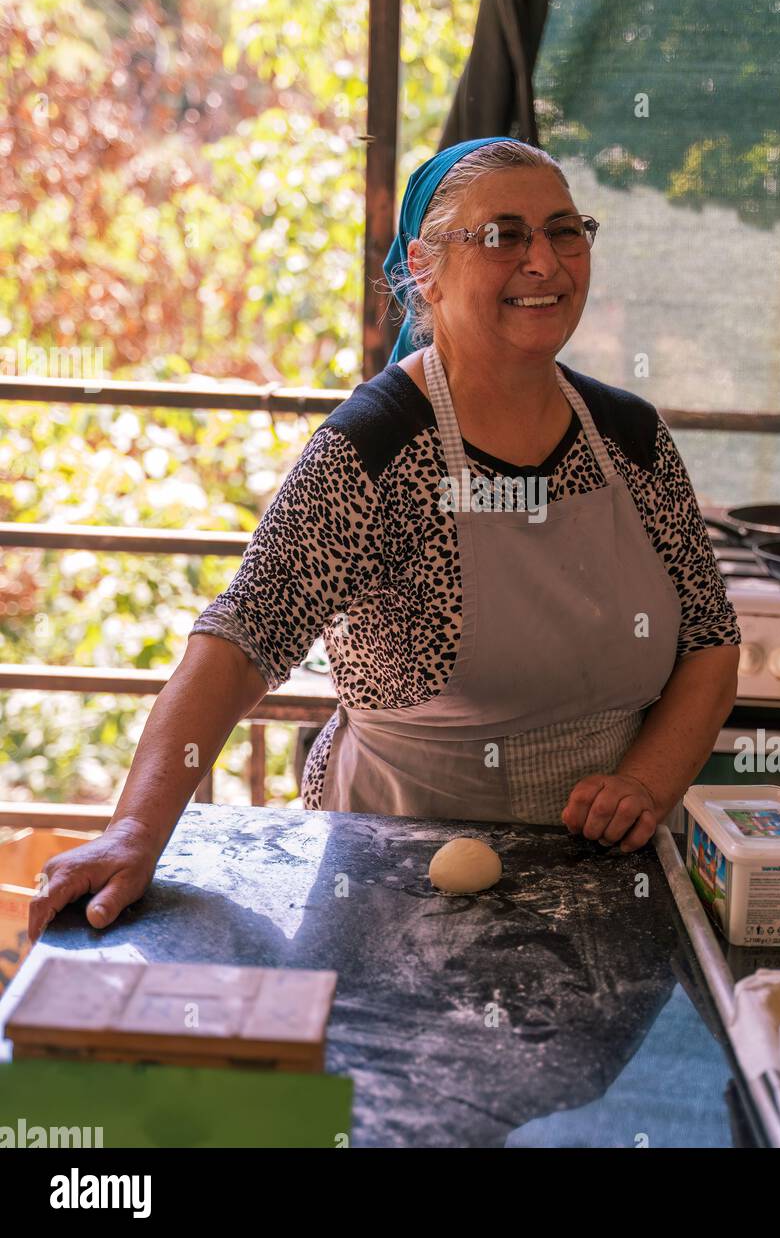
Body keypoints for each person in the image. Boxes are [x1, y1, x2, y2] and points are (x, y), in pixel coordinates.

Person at [29, 136, 739, 941]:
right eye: (504, 235)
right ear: (424, 267)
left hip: (607, 881)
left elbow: (710, 640)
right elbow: (240, 637)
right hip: (398, 880)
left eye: (565, 230)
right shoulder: (375, 450)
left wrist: (645, 782)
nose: (544, 261)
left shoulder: (629, 438)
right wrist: (135, 832)